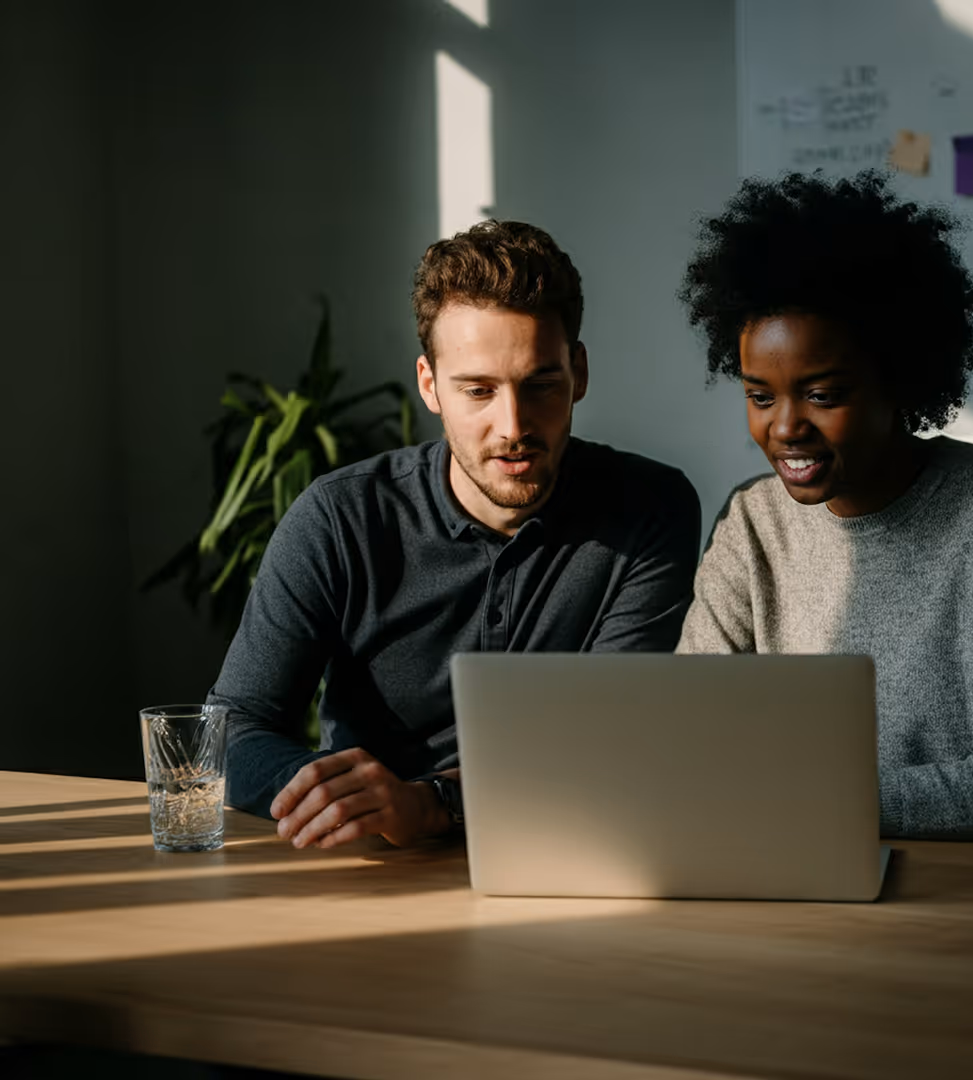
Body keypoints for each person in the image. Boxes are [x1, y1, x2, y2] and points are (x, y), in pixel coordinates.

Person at [209, 219, 701, 849]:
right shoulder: (338, 518)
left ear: (578, 371)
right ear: (429, 384)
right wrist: (338, 797)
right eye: (478, 391)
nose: (513, 426)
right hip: (374, 868)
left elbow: (612, 740)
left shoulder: (650, 508)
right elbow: (231, 730)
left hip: (566, 847)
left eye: (541, 385)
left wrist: (436, 803)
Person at [677, 170, 973, 840]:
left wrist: (794, 803)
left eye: (823, 394)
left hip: (971, 895)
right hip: (790, 869)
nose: (784, 428)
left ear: (901, 381)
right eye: (759, 395)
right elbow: (687, 739)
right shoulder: (752, 522)